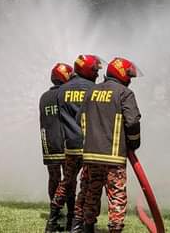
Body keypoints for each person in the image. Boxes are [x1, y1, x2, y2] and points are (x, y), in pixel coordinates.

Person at [79, 57, 142, 233]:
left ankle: (88, 227)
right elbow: (132, 122)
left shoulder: (91, 91)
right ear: (121, 74)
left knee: (92, 193)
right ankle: (115, 229)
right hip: (113, 157)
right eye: (129, 75)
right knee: (117, 196)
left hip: (91, 155)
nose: (130, 79)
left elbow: (80, 119)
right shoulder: (124, 93)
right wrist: (134, 143)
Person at [49, 54, 103, 233]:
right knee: (88, 187)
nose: (97, 74)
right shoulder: (94, 89)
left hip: (71, 146)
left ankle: (52, 220)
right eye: (95, 70)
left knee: (66, 182)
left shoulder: (62, 91)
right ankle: (81, 225)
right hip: (89, 147)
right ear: (88, 70)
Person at [41, 63, 73, 232]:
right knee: (69, 179)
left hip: (48, 143)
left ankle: (54, 210)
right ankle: (70, 215)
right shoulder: (66, 94)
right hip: (65, 143)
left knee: (53, 177)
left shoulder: (44, 96)